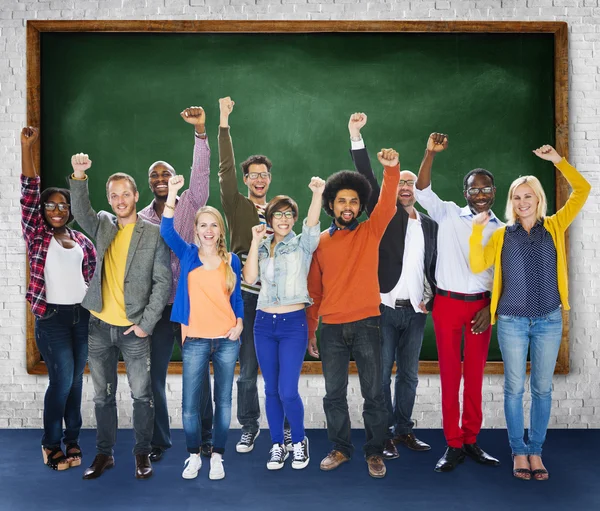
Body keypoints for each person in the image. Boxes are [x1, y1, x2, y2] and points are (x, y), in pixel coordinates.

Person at [470, 144, 591, 481]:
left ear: (538, 199)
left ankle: (535, 451)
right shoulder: (500, 235)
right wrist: (478, 231)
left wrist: (558, 161)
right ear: (512, 202)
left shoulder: (554, 226)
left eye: (528, 196)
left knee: (542, 389)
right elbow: (477, 264)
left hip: (549, 320)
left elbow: (583, 190)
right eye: (517, 197)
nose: (522, 202)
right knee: (513, 389)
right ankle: (517, 452)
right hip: (511, 321)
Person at [69, 153, 171, 480]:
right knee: (102, 396)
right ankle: (104, 454)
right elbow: (79, 210)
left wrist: (145, 325)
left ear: (137, 196)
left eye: (125, 194)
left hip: (134, 330)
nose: (119, 200)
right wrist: (79, 174)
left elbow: (162, 282)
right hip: (99, 326)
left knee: (142, 395)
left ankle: (142, 454)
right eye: (113, 195)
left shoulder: (153, 234)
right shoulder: (102, 223)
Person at [307, 147, 400, 479]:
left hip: (367, 325)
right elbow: (314, 292)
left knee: (374, 393)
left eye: (354, 202)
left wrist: (391, 169)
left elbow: (388, 203)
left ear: (361, 206)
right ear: (331, 204)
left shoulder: (370, 232)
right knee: (334, 395)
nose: (348, 207)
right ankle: (340, 448)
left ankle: (375, 451)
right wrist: (310, 330)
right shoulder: (318, 243)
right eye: (342, 201)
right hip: (331, 329)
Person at [348, 113, 438, 459]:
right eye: (400, 182)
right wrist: (356, 135)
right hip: (384, 309)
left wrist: (432, 295)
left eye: (410, 183)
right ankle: (382, 433)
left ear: (418, 190)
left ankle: (403, 430)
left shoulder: (430, 225)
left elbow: (433, 266)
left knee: (410, 377)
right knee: (381, 376)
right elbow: (368, 178)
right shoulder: (385, 215)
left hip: (416, 312)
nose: (404, 187)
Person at [414, 133, 502, 473]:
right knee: (450, 376)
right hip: (448, 306)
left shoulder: (502, 230)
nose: (479, 195)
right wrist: (429, 153)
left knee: (475, 377)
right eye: (473, 189)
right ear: (465, 193)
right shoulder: (448, 214)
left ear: (494, 192)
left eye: (485, 189)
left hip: (481, 308)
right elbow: (421, 189)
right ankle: (452, 444)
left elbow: (503, 276)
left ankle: (471, 440)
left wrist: (489, 308)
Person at [138, 106, 214, 462]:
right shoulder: (140, 220)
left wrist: (200, 132)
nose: (159, 178)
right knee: (154, 378)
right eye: (154, 175)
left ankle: (206, 438)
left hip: (191, 305)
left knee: (198, 378)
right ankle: (159, 441)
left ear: (173, 178)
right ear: (149, 182)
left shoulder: (190, 206)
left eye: (165, 173)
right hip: (156, 308)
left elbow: (201, 174)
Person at [218, 96, 292, 452]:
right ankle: (250, 425)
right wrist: (223, 123)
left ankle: (287, 426)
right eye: (254, 175)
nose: (260, 179)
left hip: (280, 298)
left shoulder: (282, 211)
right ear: (246, 179)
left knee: (281, 369)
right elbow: (225, 170)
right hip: (247, 296)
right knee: (247, 369)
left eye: (265, 174)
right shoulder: (236, 205)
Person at [20, 127, 96, 471]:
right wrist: (28, 147)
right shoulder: (37, 234)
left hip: (81, 317)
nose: (56, 210)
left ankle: (73, 441)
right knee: (62, 380)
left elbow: (93, 274)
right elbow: (28, 190)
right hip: (51, 318)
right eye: (50, 205)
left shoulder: (81, 240)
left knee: (77, 382)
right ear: (42, 210)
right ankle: (51, 444)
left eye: (62, 205)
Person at [161, 175, 244, 481]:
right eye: (203, 225)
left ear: (220, 230)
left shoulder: (231, 261)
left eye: (213, 225)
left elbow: (236, 299)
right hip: (194, 339)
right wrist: (172, 192)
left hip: (226, 339)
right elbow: (167, 229)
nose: (208, 231)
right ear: (195, 230)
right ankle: (194, 455)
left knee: (222, 402)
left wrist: (239, 325)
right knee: (190, 405)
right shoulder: (188, 255)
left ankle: (218, 457)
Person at [243, 177, 325, 470]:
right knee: (271, 390)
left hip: (292, 324)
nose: (284, 219)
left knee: (288, 390)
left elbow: (313, 224)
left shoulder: (302, 245)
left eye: (289, 214)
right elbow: (250, 278)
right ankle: (278, 444)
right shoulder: (263, 247)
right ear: (269, 218)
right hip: (264, 324)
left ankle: (299, 441)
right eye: (278, 214)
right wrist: (254, 242)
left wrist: (317, 193)